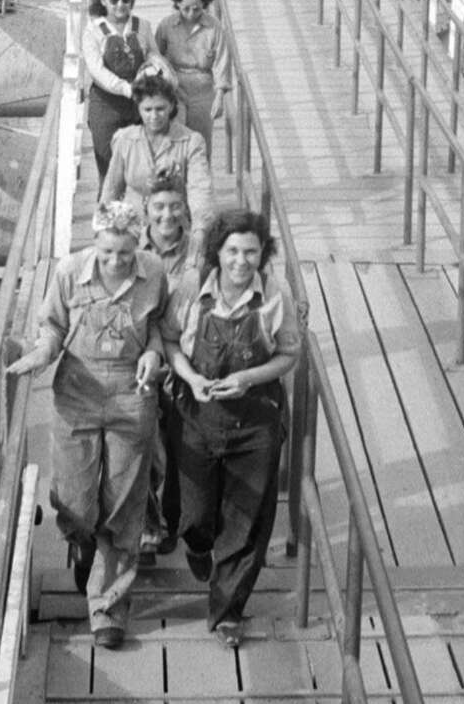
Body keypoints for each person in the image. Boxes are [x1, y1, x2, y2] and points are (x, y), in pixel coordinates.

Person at [6, 201, 167, 650]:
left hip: (131, 395)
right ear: (95, 242)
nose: (116, 261)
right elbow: (52, 327)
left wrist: (153, 353)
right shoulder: (68, 272)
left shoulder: (153, 273)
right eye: (108, 251)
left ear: (139, 244)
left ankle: (108, 609)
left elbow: (157, 327)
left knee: (123, 503)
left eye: (125, 252)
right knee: (73, 499)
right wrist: (41, 353)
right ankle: (82, 542)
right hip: (76, 391)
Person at [160, 209, 301, 648]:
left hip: (254, 418)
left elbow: (288, 354)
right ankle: (198, 546)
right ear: (218, 252)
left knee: (245, 520)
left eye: (252, 252)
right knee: (194, 514)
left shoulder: (275, 295)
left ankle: (228, 612)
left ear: (263, 254)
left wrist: (247, 378)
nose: (242, 261)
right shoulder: (190, 289)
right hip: (196, 415)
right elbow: (167, 339)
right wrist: (190, 377)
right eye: (233, 251)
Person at [137, 168, 194, 563]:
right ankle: (144, 527)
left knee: (177, 449)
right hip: (139, 357)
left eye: (175, 206)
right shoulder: (129, 248)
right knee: (144, 448)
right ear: (146, 209)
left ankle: (171, 521)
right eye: (159, 206)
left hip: (183, 358)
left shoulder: (200, 252)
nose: (167, 215)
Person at [98, 72, 213, 262]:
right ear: (139, 109)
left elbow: (200, 191)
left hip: (171, 223)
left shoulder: (191, 142)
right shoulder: (124, 139)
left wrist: (200, 232)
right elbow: (111, 190)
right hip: (131, 228)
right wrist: (103, 235)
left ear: (171, 107)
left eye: (160, 108)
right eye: (147, 109)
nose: (154, 116)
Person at [82, 0, 174, 181]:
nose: (120, 5)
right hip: (107, 104)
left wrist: (153, 67)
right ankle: (109, 210)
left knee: (144, 163)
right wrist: (126, 88)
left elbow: (153, 52)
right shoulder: (93, 31)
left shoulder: (142, 26)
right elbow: (97, 71)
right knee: (109, 166)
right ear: (103, 1)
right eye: (114, 0)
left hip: (141, 104)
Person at [154, 0, 232, 160]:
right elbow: (155, 56)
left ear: (204, 5)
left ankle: (200, 182)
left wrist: (220, 95)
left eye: (197, 9)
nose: (191, 13)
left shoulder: (214, 27)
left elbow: (222, 61)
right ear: (177, 5)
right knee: (175, 137)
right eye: (186, 9)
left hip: (203, 88)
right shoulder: (167, 25)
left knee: (201, 140)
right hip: (174, 86)